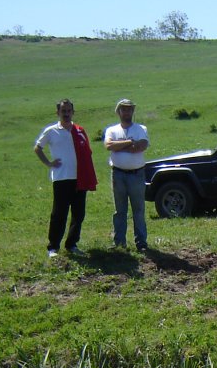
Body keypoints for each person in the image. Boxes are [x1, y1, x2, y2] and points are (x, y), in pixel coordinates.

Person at [34, 99, 97, 257]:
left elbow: (87, 153)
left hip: (79, 178)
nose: (66, 114)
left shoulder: (79, 130)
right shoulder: (51, 131)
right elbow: (38, 147)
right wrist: (48, 163)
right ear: (58, 113)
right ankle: (53, 247)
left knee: (79, 213)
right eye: (64, 111)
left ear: (73, 112)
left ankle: (72, 244)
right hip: (61, 178)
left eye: (69, 111)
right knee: (59, 214)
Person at [104, 98, 150, 251]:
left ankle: (141, 242)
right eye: (123, 109)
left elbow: (141, 146)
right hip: (118, 174)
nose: (126, 112)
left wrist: (120, 146)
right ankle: (119, 242)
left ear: (132, 111)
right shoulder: (111, 130)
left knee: (138, 209)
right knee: (120, 210)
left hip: (137, 174)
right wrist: (129, 142)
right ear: (119, 112)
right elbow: (109, 145)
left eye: (129, 109)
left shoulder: (141, 128)